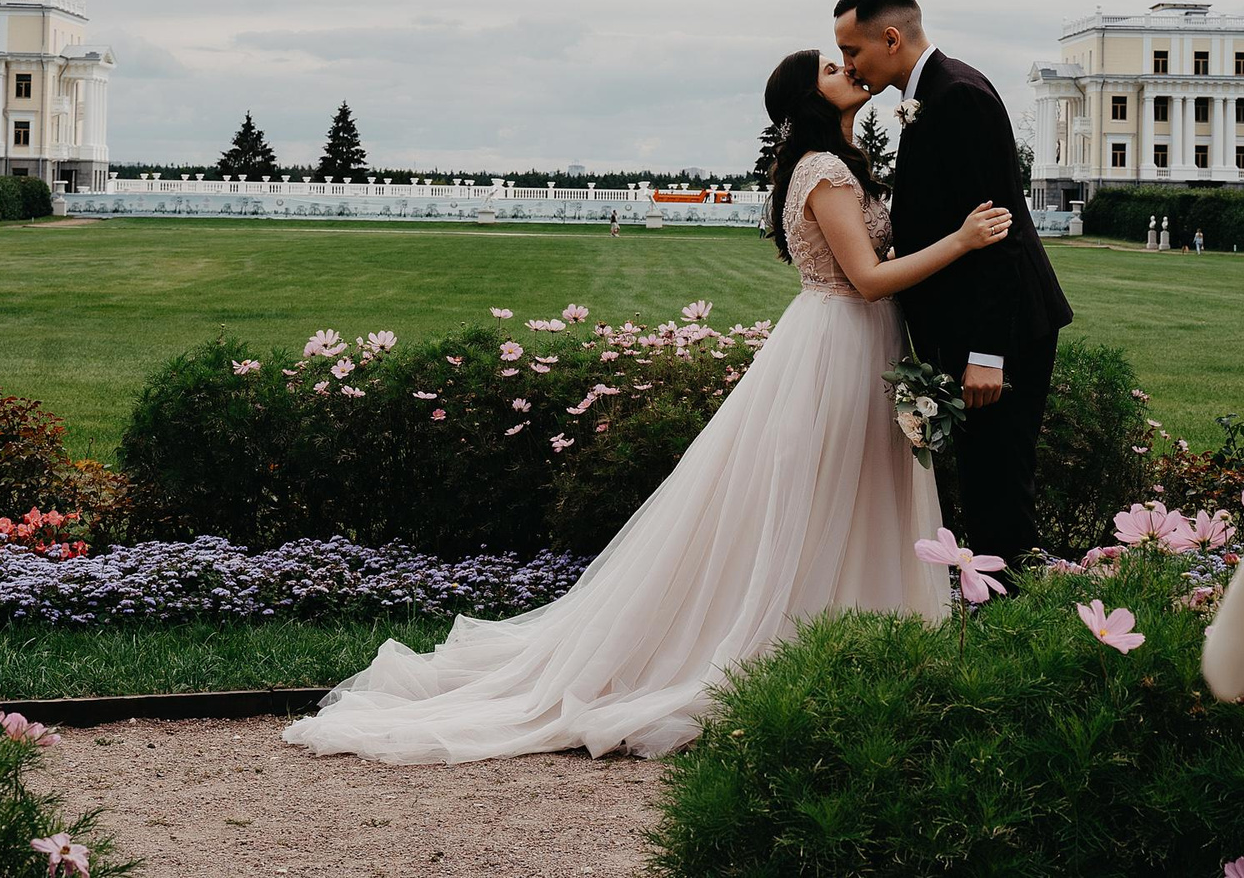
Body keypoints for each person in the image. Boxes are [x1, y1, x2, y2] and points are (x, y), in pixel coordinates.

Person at [284, 47, 1012, 764]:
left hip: (858, 347)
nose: (847, 68)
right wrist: (961, 238)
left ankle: (864, 645)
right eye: (830, 67)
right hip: (839, 343)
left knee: (853, 500)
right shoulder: (821, 172)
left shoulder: (843, 165)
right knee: (818, 499)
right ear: (807, 100)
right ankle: (797, 647)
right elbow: (867, 278)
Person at [833, 0, 1075, 567]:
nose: (849, 65)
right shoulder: (932, 94)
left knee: (999, 495)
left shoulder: (958, 94)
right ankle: (999, 618)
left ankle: (1011, 632)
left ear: (890, 38)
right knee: (985, 488)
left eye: (852, 51)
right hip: (966, 335)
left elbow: (999, 230)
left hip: (1001, 337)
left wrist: (987, 354)